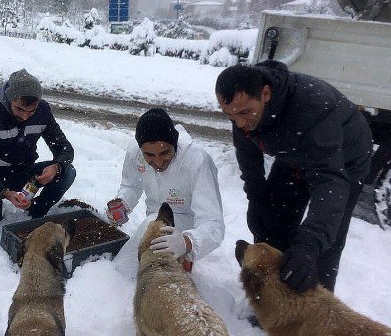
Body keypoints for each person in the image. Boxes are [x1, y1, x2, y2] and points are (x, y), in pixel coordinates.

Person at [215, 61, 373, 293]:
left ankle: (314, 311)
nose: (239, 123)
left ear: (265, 94)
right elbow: (248, 153)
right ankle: (271, 298)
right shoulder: (242, 111)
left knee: (323, 244)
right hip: (293, 157)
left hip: (344, 163)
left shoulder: (311, 107)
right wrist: (257, 197)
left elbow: (330, 179)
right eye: (230, 116)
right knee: (272, 220)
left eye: (245, 113)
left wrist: (308, 246)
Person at [109, 108, 225, 275]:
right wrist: (123, 202)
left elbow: (213, 223)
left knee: (154, 276)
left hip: (183, 227)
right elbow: (131, 185)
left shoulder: (197, 161)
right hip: (151, 223)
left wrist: (187, 242)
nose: (158, 162)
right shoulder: (135, 152)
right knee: (122, 271)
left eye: (165, 153)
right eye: (149, 155)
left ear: (174, 143)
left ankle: (185, 259)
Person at [0, 69, 76, 222]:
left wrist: (56, 167)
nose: (25, 116)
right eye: (19, 109)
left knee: (67, 171)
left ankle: (35, 211)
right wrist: (4, 192)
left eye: (31, 111)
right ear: (9, 99)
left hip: (25, 172)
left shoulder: (43, 111)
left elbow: (64, 147)